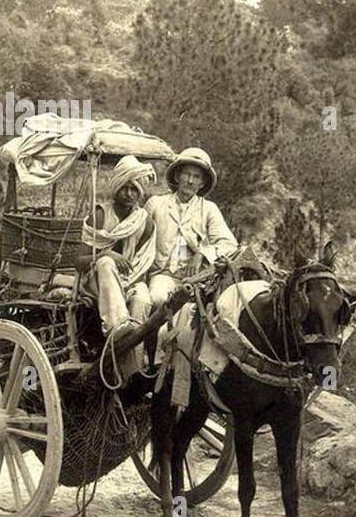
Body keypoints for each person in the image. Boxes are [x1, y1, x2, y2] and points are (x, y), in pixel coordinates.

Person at [78, 155, 158, 378]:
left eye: (134, 189)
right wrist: (107, 253)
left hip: (130, 281)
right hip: (97, 283)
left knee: (142, 298)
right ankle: (117, 327)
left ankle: (131, 370)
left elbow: (143, 263)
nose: (130, 194)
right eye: (125, 188)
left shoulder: (145, 222)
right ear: (116, 187)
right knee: (105, 262)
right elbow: (79, 261)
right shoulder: (100, 216)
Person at [144, 147, 238, 315]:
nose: (190, 181)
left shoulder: (208, 209)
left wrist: (202, 254)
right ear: (177, 176)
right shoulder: (156, 204)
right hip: (162, 276)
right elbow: (139, 238)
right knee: (158, 299)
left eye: (197, 177)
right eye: (187, 174)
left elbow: (229, 244)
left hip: (195, 280)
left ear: (202, 183)